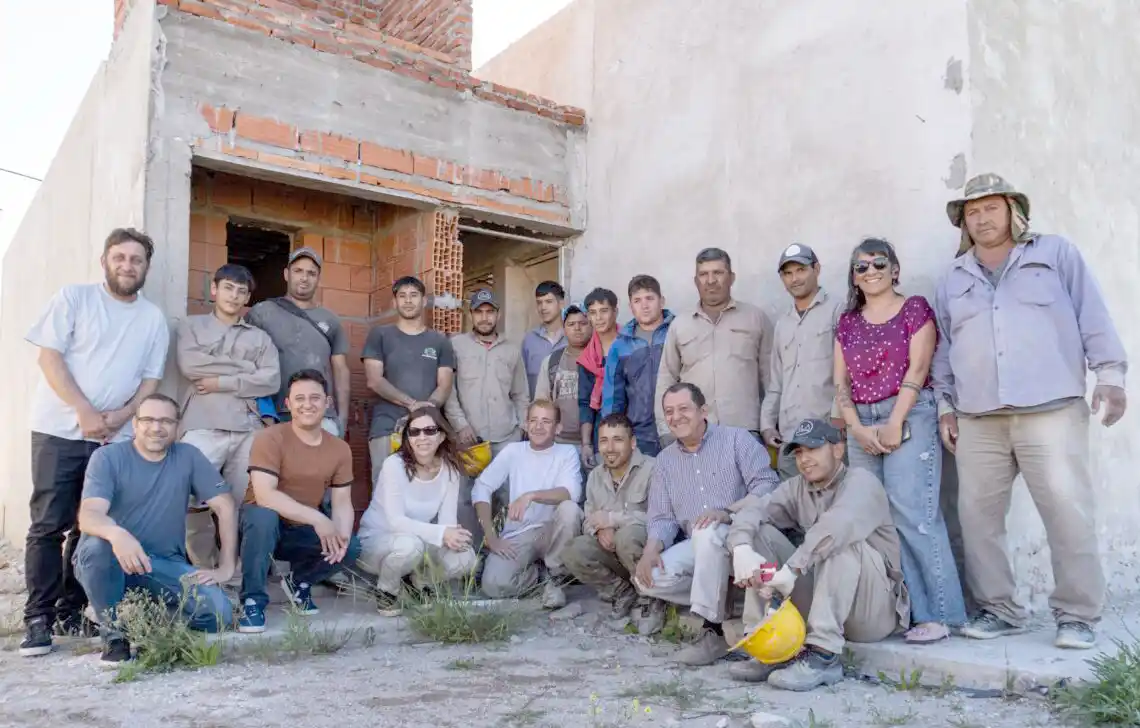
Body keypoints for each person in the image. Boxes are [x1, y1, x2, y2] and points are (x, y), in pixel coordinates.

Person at [932, 174, 1127, 650]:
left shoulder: (1056, 255)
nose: (981, 219)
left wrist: (1111, 376)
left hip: (1051, 411)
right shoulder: (953, 277)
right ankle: (1000, 609)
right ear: (963, 222)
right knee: (978, 519)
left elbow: (1093, 314)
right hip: (978, 416)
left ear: (1013, 211)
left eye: (990, 209)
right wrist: (944, 406)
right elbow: (944, 347)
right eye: (972, 212)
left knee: (1066, 512)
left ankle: (1078, 615)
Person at [21, 228, 170, 658]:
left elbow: (151, 379)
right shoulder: (74, 298)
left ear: (146, 267)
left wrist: (123, 416)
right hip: (59, 429)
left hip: (115, 437)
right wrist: (85, 411)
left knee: (91, 524)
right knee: (48, 524)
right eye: (120, 257)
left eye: (136, 259)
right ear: (105, 260)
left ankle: (73, 609)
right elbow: (48, 358)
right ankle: (38, 618)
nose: (128, 265)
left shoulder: (152, 318)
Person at [833, 238, 966, 644]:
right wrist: (855, 428)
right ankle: (904, 611)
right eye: (861, 266)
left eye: (878, 263)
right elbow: (840, 382)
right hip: (862, 420)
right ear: (853, 278)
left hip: (909, 413)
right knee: (879, 521)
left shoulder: (915, 309)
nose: (870, 271)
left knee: (915, 514)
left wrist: (895, 421)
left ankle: (942, 614)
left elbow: (920, 366)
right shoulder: (848, 321)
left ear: (894, 268)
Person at [727, 419, 908, 691]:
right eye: (799, 452)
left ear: (837, 449)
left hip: (871, 611)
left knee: (837, 541)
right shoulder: (797, 487)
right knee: (759, 534)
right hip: (826, 598)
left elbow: (838, 526)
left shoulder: (862, 482)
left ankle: (823, 655)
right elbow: (755, 508)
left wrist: (792, 570)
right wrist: (741, 548)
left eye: (813, 449)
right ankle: (769, 644)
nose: (804, 459)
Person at [72, 394, 236, 664]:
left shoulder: (188, 456)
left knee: (220, 614)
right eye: (147, 419)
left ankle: (142, 617)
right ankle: (114, 635)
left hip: (159, 565)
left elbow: (226, 506)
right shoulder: (108, 457)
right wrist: (118, 535)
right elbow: (89, 515)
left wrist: (226, 567)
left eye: (165, 421)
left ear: (177, 426)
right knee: (98, 547)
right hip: (109, 560)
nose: (156, 427)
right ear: (135, 424)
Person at [633, 383, 780, 666]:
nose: (676, 417)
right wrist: (651, 548)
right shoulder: (665, 462)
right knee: (646, 577)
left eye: (683, 409)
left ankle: (709, 631)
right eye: (669, 412)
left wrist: (728, 512)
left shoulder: (737, 440)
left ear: (703, 411)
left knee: (706, 532)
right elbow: (662, 517)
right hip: (700, 544)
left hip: (740, 534)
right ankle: (728, 600)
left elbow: (767, 486)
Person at [238, 370, 361, 633]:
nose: (308, 404)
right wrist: (318, 519)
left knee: (350, 547)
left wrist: (341, 536)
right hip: (261, 528)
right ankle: (252, 601)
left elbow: (342, 503)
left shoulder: (339, 449)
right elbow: (264, 495)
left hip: (299, 530)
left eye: (315, 398)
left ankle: (300, 583)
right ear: (288, 404)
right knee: (263, 516)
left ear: (327, 402)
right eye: (300, 398)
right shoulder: (270, 438)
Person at [176, 264, 280, 568]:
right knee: (191, 500)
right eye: (229, 288)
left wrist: (221, 380)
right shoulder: (190, 326)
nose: (235, 296)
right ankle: (204, 569)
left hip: (248, 429)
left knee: (241, 504)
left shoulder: (260, 339)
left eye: (242, 291)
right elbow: (191, 366)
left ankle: (233, 572)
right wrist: (247, 370)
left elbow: (271, 379)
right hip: (202, 424)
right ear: (214, 289)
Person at [358, 407, 477, 614]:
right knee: (410, 546)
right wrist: (442, 533)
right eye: (415, 432)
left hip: (419, 542)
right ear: (408, 438)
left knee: (466, 557)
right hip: (379, 543)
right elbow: (396, 521)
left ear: (441, 436)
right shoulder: (394, 465)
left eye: (430, 430)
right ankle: (387, 590)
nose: (422, 437)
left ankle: (420, 582)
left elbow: (446, 521)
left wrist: (453, 536)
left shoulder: (449, 470)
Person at [655, 248, 773, 447]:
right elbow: (666, 379)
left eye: (718, 273)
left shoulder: (755, 319)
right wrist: (666, 431)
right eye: (703, 274)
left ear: (732, 278)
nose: (710, 280)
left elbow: (771, 379)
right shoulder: (680, 325)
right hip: (694, 433)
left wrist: (768, 425)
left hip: (744, 432)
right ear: (696, 281)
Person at [473, 399, 583, 608]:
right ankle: (542, 579)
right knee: (494, 584)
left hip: (551, 531)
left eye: (546, 421)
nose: (538, 427)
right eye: (533, 420)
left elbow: (571, 493)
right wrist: (490, 535)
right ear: (526, 424)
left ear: (558, 427)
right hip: (521, 532)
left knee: (570, 511)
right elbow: (482, 486)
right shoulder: (513, 451)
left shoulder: (567, 453)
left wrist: (531, 496)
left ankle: (557, 575)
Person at [443, 289, 529, 539]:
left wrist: (522, 429)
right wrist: (460, 425)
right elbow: (449, 392)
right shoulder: (456, 346)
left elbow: (520, 393)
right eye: (479, 312)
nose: (484, 318)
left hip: (506, 439)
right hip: (469, 438)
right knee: (465, 498)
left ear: (498, 315)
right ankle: (472, 556)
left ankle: (504, 552)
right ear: (471, 315)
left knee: (506, 495)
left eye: (489, 312)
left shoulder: (512, 350)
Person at [562, 414, 656, 625]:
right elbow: (589, 517)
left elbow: (660, 519)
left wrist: (613, 520)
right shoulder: (595, 476)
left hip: (645, 554)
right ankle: (621, 592)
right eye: (604, 441)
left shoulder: (653, 469)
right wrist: (598, 530)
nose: (610, 448)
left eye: (618, 440)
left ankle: (650, 596)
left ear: (632, 443)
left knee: (627, 536)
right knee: (573, 550)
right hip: (612, 553)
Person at [246, 247, 350, 436]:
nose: (304, 278)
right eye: (298, 271)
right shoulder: (262, 312)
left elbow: (341, 370)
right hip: (272, 415)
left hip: (320, 415)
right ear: (286, 274)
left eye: (311, 273)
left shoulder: (330, 320)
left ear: (318, 279)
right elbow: (245, 362)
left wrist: (342, 418)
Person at [760, 245, 844, 480]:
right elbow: (776, 381)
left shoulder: (838, 311)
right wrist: (767, 424)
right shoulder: (783, 324)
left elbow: (847, 375)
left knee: (831, 508)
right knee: (793, 510)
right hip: (791, 440)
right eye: (788, 273)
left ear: (816, 269)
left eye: (801, 270)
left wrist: (840, 424)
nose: (794, 278)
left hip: (826, 434)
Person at [363, 275, 456, 486]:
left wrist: (424, 412)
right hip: (387, 427)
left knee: (425, 489)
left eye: (413, 295)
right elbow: (374, 380)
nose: (407, 300)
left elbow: (445, 385)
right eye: (402, 296)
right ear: (394, 302)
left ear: (424, 301)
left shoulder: (440, 341)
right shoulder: (380, 335)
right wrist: (413, 405)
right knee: (385, 489)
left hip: (428, 430)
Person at [601, 275, 675, 457]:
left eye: (650, 298)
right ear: (631, 307)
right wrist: (613, 435)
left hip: (677, 427)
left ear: (661, 301)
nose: (645, 305)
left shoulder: (677, 332)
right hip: (640, 434)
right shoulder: (621, 345)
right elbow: (613, 396)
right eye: (637, 300)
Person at [534, 304, 593, 447]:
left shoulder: (600, 359)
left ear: (591, 326)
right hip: (559, 442)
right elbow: (541, 403)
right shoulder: (551, 362)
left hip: (595, 443)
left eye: (583, 323)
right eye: (571, 324)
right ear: (564, 328)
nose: (577, 328)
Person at [578, 287, 620, 469]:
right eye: (593, 313)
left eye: (604, 311)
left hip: (631, 434)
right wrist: (586, 444)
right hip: (600, 437)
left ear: (615, 312)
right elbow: (585, 403)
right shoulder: (587, 358)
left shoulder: (630, 348)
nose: (599, 318)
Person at [522, 281, 567, 397]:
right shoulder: (529, 340)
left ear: (561, 304)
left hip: (568, 412)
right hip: (538, 411)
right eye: (539, 303)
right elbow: (521, 384)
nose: (543, 307)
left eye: (549, 302)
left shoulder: (572, 337)